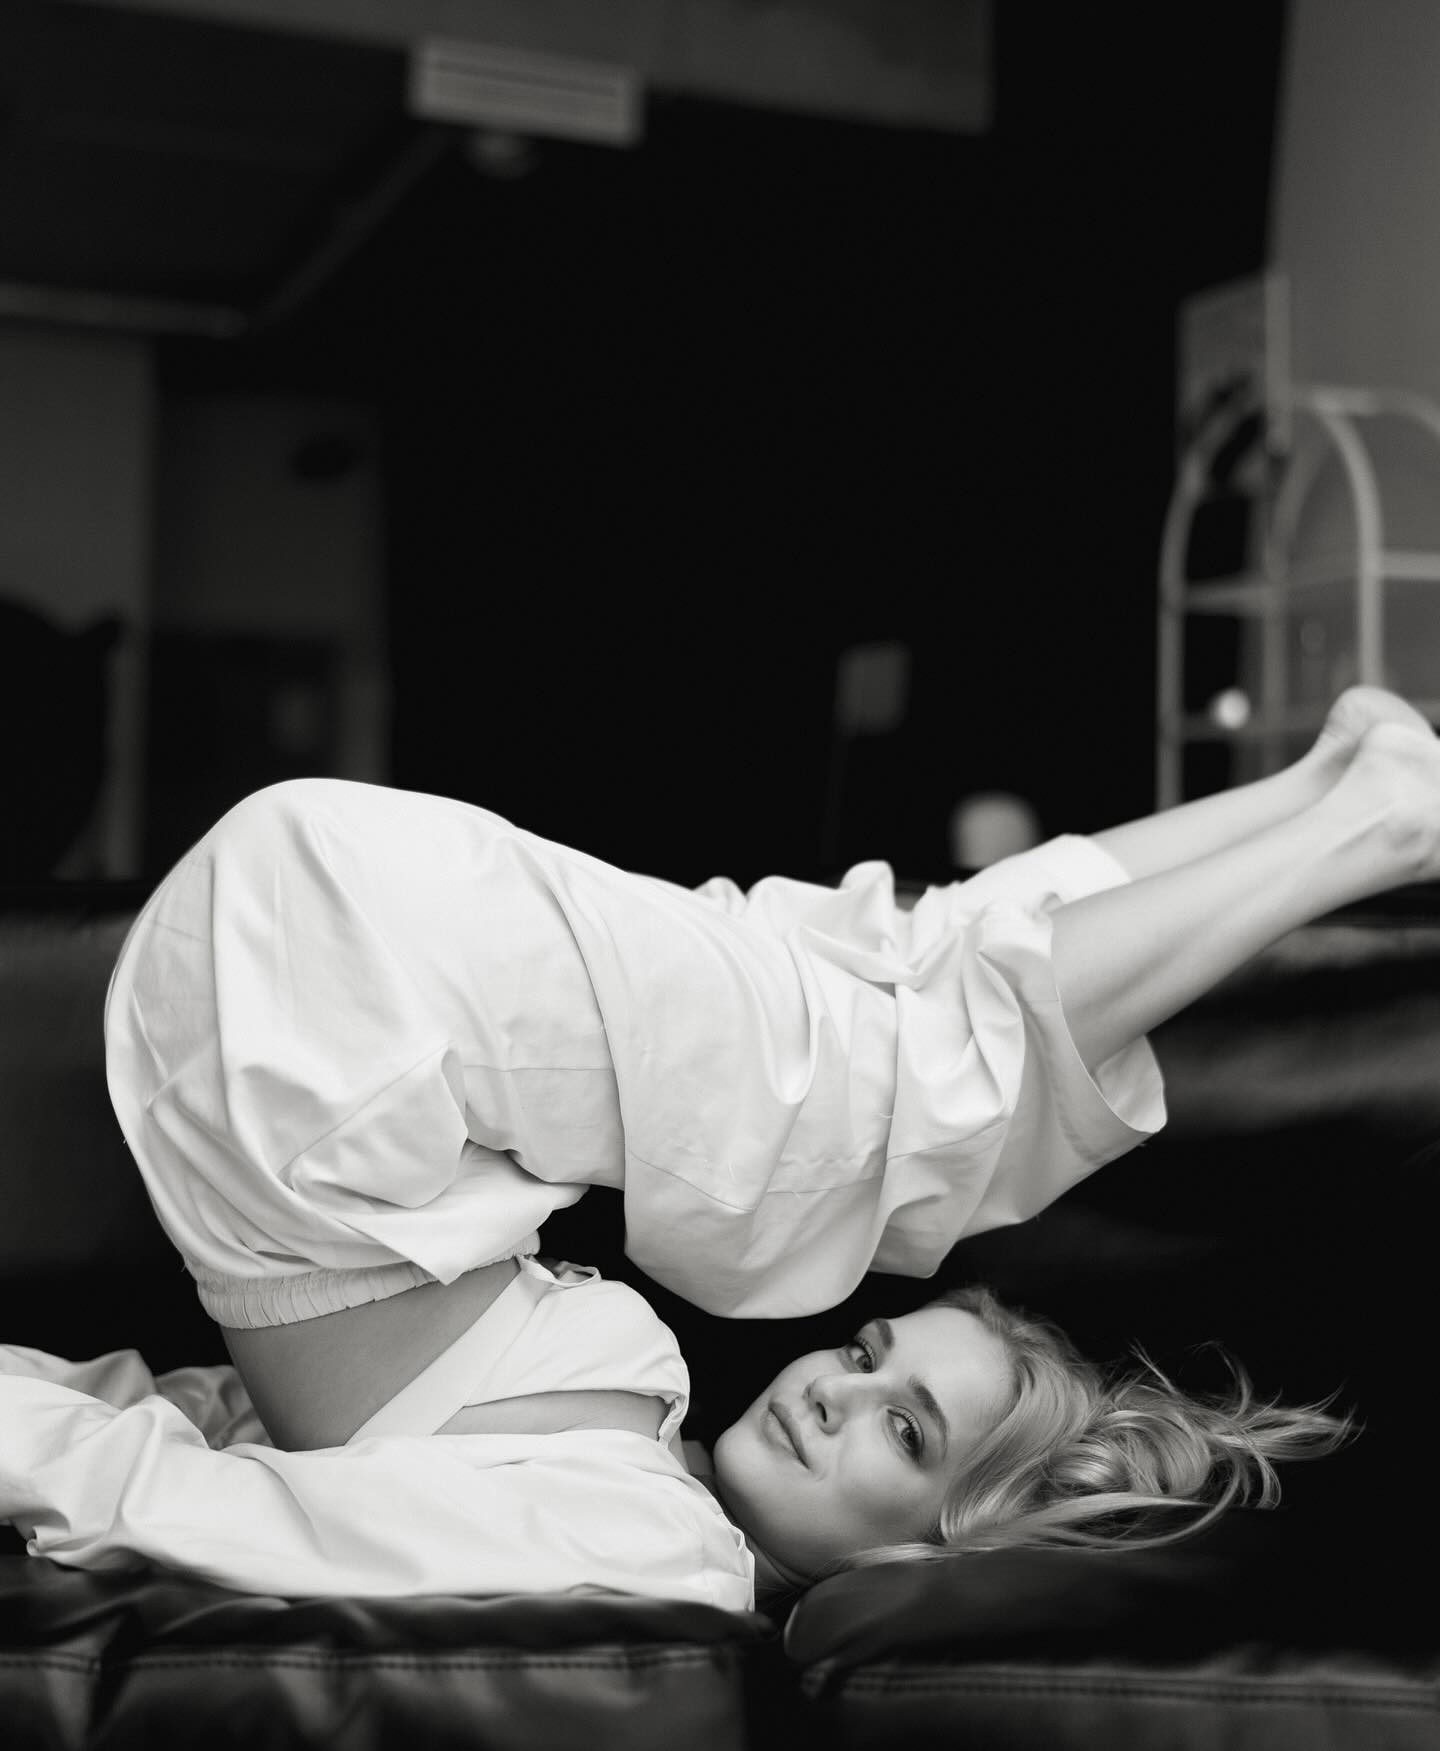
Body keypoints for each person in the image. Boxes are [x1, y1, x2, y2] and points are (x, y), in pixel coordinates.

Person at [2, 686, 1434, 1610]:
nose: (833, 1390)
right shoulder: (651, 1497)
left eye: (905, 1432)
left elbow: (194, 1479)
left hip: (311, 993)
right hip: (319, 984)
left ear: (930, 1557)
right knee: (901, 991)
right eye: (872, 1359)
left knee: (896, 1080)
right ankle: (1335, 789)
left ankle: (1367, 813)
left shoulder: (659, 1554)